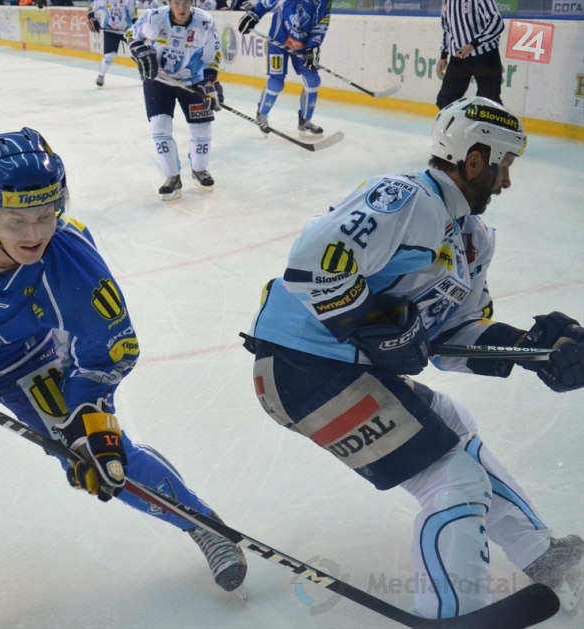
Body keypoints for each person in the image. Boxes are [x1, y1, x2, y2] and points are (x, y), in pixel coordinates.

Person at [0, 127, 247, 629]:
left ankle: (203, 524)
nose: (34, 235)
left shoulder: (73, 262)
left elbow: (110, 352)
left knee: (103, 457)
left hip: (28, 360)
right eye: (17, 220)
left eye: (46, 215)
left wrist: (90, 421)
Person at [243, 96, 584, 619]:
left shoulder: (472, 238)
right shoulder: (408, 198)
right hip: (301, 366)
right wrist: (373, 320)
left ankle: (541, 552)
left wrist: (532, 348)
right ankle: (450, 612)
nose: (506, 182)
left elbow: (452, 334)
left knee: (454, 422)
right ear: (475, 158)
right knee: (453, 478)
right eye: (504, 165)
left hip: (338, 372)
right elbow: (313, 264)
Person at [128, 0, 223, 200]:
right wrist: (139, 50)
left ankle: (199, 169)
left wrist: (210, 84)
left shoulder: (205, 23)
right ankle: (172, 176)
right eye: (177, 3)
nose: (181, 8)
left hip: (194, 81)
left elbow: (212, 56)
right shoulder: (154, 18)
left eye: (186, 3)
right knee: (159, 125)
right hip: (158, 80)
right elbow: (131, 34)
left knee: (202, 127)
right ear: (170, 3)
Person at [237, 0, 330, 138]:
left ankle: (305, 120)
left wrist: (314, 45)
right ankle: (262, 114)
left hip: (303, 46)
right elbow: (266, 4)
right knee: (276, 82)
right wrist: (253, 15)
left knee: (313, 80)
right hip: (278, 43)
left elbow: (322, 22)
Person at [435, 0, 504, 109]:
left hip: (486, 57)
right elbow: (446, 28)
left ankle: (500, 120)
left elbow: (497, 22)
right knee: (445, 100)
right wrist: (443, 55)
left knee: (488, 102)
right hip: (458, 59)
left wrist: (473, 44)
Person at [87, 0, 138, 88]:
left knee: (138, 50)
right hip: (110, 30)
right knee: (109, 55)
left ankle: (147, 72)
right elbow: (90, 8)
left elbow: (133, 14)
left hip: (128, 30)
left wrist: (136, 26)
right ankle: (101, 76)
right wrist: (92, 18)